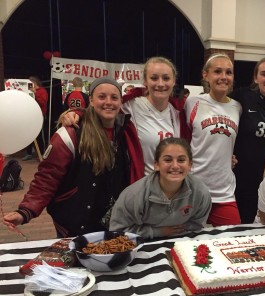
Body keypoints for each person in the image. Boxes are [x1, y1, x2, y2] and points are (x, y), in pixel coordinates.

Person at [3, 78, 144, 238]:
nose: (108, 102)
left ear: (120, 101)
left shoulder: (126, 133)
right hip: (77, 224)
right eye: (102, 97)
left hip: (114, 223)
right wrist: (26, 211)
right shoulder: (71, 134)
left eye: (114, 97)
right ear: (90, 99)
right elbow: (47, 177)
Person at [62, 57, 186, 175]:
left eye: (166, 78)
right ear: (145, 81)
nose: (160, 83)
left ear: (174, 81)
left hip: (174, 185)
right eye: (154, 78)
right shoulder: (130, 106)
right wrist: (77, 113)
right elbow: (104, 109)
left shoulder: (181, 113)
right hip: (143, 188)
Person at [110, 137, 212, 238]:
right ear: (156, 165)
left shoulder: (201, 192)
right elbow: (117, 232)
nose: (175, 166)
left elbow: (197, 225)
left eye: (181, 160)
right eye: (168, 160)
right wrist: (157, 232)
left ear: (190, 165)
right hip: (143, 242)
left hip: (183, 241)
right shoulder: (134, 195)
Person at [184, 53, 242, 226]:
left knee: (231, 238)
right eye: (217, 71)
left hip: (224, 189)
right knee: (187, 243)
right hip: (194, 187)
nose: (223, 77)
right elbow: (183, 138)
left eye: (228, 72)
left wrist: (229, 156)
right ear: (205, 75)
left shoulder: (237, 107)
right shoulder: (192, 102)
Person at [231, 56, 265, 223]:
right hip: (229, 174)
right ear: (256, 78)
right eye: (264, 74)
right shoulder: (242, 96)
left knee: (246, 224)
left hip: (255, 179)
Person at [24, 76, 49, 160]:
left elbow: (43, 102)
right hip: (30, 115)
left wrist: (35, 93)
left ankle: (42, 153)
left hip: (39, 116)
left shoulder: (42, 91)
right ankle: (29, 153)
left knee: (39, 135)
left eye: (31, 84)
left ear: (35, 83)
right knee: (28, 134)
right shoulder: (28, 92)